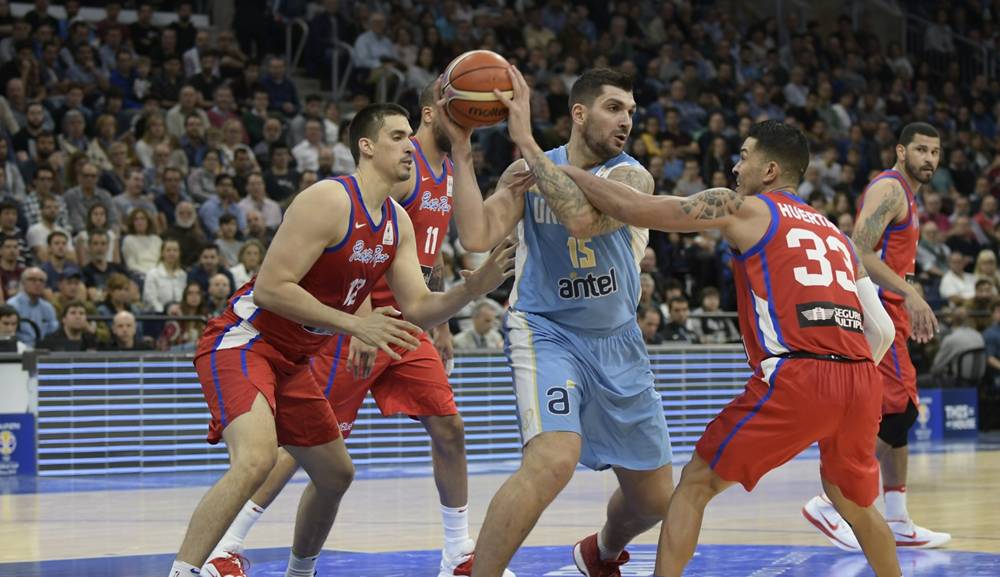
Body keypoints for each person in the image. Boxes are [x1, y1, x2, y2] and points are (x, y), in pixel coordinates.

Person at [169, 103, 515, 577]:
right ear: (366, 147)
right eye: (397, 137)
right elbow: (271, 288)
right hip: (246, 340)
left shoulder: (397, 221)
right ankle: (192, 566)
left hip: (296, 356)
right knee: (256, 458)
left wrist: (472, 290)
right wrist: (354, 324)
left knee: (336, 475)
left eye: (408, 136)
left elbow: (417, 305)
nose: (409, 146)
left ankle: (299, 572)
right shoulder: (328, 199)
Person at [571, 119, 901, 577]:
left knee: (695, 484)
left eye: (743, 155)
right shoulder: (838, 236)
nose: (735, 164)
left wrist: (572, 172)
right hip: (863, 378)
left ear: (768, 170)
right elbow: (881, 329)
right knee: (857, 504)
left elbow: (641, 209)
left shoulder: (746, 208)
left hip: (799, 375)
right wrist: (845, 381)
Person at [442, 67, 674, 577]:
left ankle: (602, 552)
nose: (626, 121)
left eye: (631, 112)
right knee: (552, 461)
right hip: (546, 330)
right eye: (615, 108)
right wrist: (461, 155)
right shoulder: (529, 169)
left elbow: (581, 220)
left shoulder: (632, 176)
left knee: (655, 500)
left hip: (618, 342)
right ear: (579, 113)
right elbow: (477, 235)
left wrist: (524, 139)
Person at [801, 122, 951, 551]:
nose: (929, 159)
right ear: (900, 152)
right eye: (921, 150)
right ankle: (833, 501)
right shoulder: (890, 189)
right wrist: (911, 293)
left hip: (892, 304)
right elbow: (858, 249)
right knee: (901, 412)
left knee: (896, 419)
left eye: (935, 152)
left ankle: (899, 519)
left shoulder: (908, 194)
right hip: (879, 306)